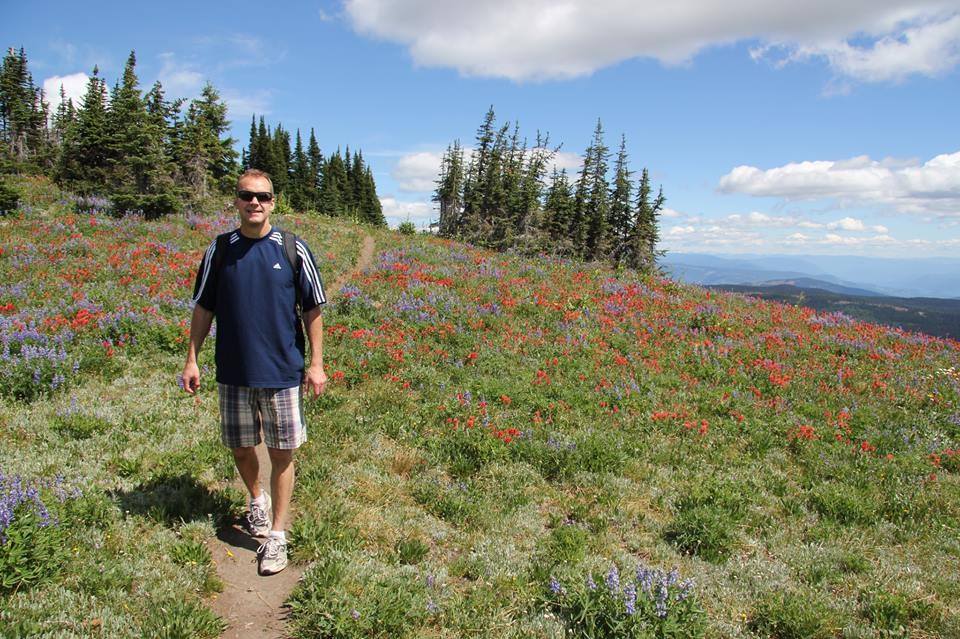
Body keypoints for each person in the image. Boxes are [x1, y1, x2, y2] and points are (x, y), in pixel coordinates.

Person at [181, 168, 327, 576]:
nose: (254, 203)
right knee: (242, 448)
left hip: (282, 373)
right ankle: (256, 498)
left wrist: (316, 364)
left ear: (273, 202)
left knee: (283, 454)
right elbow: (203, 307)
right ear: (237, 201)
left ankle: (277, 536)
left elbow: (313, 309)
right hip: (234, 372)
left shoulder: (293, 249)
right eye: (247, 196)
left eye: (262, 196)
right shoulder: (220, 249)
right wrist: (192, 358)